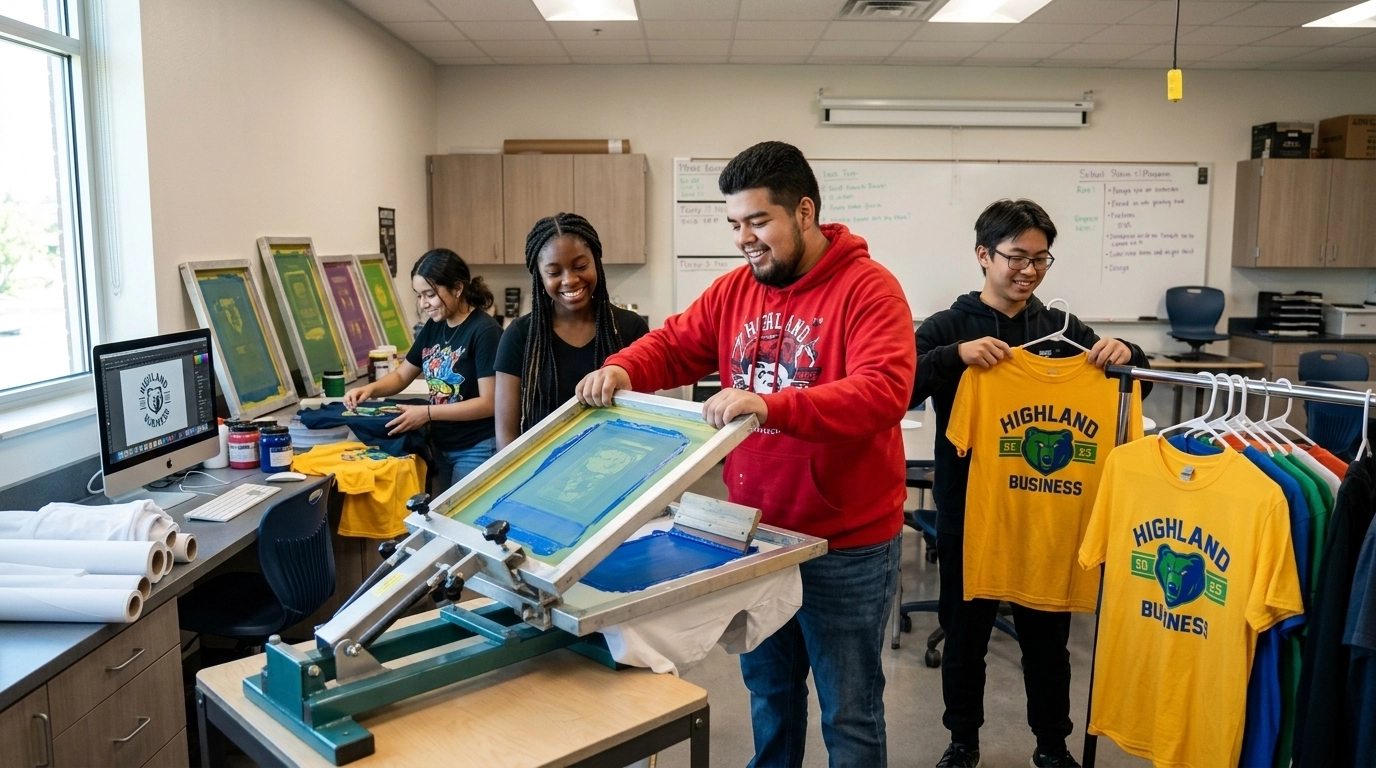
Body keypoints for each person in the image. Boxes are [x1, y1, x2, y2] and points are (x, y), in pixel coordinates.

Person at [576, 141, 915, 767]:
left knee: (850, 711)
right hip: (759, 541)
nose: (744, 239)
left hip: (848, 545)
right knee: (770, 694)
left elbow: (883, 391)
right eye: (735, 224)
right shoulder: (736, 291)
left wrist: (774, 405)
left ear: (804, 212)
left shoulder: (869, 289)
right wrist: (621, 369)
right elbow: (674, 344)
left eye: (758, 222)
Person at [911, 199, 1152, 768]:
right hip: (970, 510)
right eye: (1016, 257)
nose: (1029, 271)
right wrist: (955, 356)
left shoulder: (1061, 328)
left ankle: (1052, 746)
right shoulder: (948, 325)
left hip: (1049, 512)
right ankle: (961, 742)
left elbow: (1128, 380)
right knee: (964, 636)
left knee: (1048, 639)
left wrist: (1130, 351)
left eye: (1041, 259)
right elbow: (902, 385)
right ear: (983, 255)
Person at [344, 248, 502, 490]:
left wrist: (427, 413)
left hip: (476, 448)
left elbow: (489, 402)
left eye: (430, 294)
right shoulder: (433, 327)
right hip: (441, 444)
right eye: (419, 296)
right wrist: (368, 390)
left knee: (458, 522)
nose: (423, 304)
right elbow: (401, 375)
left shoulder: (484, 331)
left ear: (457, 288)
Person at [494, 213, 649, 448]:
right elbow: (506, 436)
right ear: (539, 276)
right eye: (554, 272)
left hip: (616, 465)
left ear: (595, 261)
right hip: (543, 471)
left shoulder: (630, 328)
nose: (570, 280)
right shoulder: (519, 335)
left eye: (580, 266)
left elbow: (648, 417)